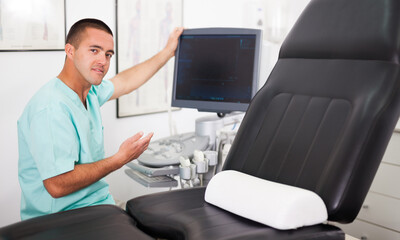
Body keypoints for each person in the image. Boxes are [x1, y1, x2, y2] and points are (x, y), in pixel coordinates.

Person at [17, 18, 183, 220]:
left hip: (97, 204)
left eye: (108, 54)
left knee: (164, 221)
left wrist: (168, 52)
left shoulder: (90, 91)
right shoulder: (51, 107)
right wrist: (119, 159)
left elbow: (125, 81)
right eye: (94, 50)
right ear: (70, 51)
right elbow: (57, 185)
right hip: (62, 218)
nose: (103, 61)